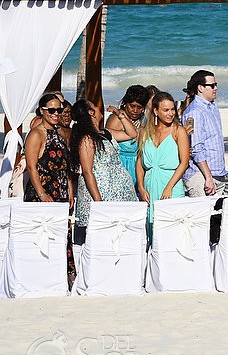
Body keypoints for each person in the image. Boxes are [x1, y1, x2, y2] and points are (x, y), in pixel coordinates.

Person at [22, 92, 75, 283]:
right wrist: (42, 193)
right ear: (42, 111)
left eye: (59, 110)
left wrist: (69, 188)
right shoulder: (37, 133)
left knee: (62, 234)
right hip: (42, 193)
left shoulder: (60, 133)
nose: (56, 113)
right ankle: (40, 278)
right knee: (43, 235)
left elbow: (65, 165)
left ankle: (61, 278)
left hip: (60, 191)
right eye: (51, 110)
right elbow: (31, 166)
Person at [72, 99, 137, 237]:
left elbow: (132, 134)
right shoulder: (87, 139)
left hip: (118, 192)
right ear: (91, 112)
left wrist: (121, 116)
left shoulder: (105, 133)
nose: (98, 107)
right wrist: (98, 202)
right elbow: (87, 171)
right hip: (102, 193)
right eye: (94, 105)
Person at [137, 91, 190, 232]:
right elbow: (140, 162)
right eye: (166, 110)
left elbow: (184, 163)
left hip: (172, 184)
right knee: (151, 229)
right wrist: (141, 188)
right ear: (155, 111)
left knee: (172, 229)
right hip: (149, 185)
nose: (171, 113)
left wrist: (169, 187)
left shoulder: (179, 131)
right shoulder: (144, 132)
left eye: (172, 109)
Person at [181, 70, 228, 197]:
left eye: (216, 84)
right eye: (212, 85)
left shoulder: (212, 107)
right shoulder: (195, 111)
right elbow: (196, 148)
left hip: (217, 174)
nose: (215, 88)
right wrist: (208, 177)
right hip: (200, 176)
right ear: (200, 88)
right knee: (202, 216)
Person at [106, 84, 148, 184]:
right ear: (125, 103)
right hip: (120, 169)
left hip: (139, 169)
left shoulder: (144, 120)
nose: (135, 111)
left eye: (140, 107)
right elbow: (107, 146)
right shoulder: (116, 119)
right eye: (132, 106)